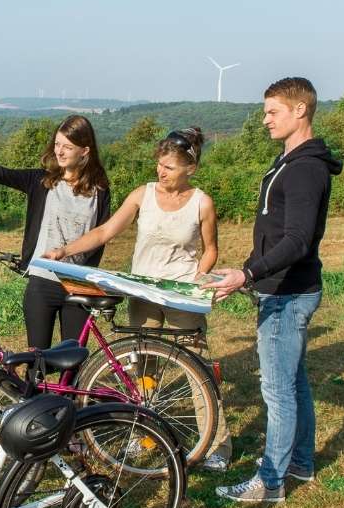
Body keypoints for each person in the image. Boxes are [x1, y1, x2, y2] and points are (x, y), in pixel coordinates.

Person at [42, 127, 232, 469]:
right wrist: (65, 251)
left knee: (196, 367)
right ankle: (143, 436)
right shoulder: (142, 194)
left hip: (178, 295)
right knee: (142, 368)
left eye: (169, 168)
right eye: (159, 165)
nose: (161, 173)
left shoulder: (202, 203)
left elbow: (210, 249)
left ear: (191, 168)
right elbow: (104, 232)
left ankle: (216, 445)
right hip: (142, 293)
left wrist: (200, 278)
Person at [204, 77, 342, 503]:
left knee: (278, 391)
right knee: (294, 381)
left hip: (288, 292)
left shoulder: (304, 168)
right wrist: (249, 271)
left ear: (300, 110)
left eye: (272, 111)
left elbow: (297, 240)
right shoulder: (288, 160)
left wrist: (247, 274)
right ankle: (300, 462)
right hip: (281, 287)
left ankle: (270, 482)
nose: (265, 119)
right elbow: (274, 231)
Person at [0, 115, 110, 349]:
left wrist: (89, 275)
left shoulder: (100, 190)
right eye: (57, 144)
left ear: (85, 151)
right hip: (43, 279)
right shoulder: (42, 181)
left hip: (79, 283)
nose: (59, 152)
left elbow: (102, 234)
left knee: (74, 361)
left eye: (67, 146)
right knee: (36, 359)